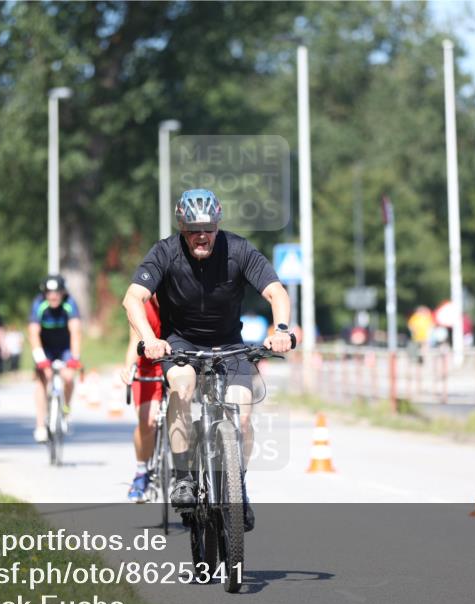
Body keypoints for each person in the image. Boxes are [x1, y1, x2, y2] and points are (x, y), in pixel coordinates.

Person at [122, 188, 293, 531]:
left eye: (208, 228)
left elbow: (276, 290)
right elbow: (133, 298)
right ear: (182, 229)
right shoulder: (165, 252)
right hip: (180, 343)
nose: (202, 235)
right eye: (193, 229)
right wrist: (150, 338)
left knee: (242, 412)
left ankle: (237, 486)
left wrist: (283, 329)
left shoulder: (238, 249)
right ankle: (184, 477)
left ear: (218, 225)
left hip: (229, 343)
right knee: (181, 388)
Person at [28, 274, 82, 444]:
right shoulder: (39, 304)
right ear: (44, 293)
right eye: (49, 292)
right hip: (46, 348)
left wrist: (74, 358)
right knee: (43, 380)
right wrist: (41, 359)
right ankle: (40, 426)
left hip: (64, 347)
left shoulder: (70, 304)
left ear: (63, 292)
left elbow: (76, 332)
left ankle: (65, 410)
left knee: (68, 377)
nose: (53, 296)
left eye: (57, 292)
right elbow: (33, 333)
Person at [120, 295, 163, 502]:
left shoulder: (184, 299)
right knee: (148, 420)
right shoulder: (143, 307)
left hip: (178, 365)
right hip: (148, 367)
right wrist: (129, 367)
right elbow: (134, 342)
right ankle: (141, 472)